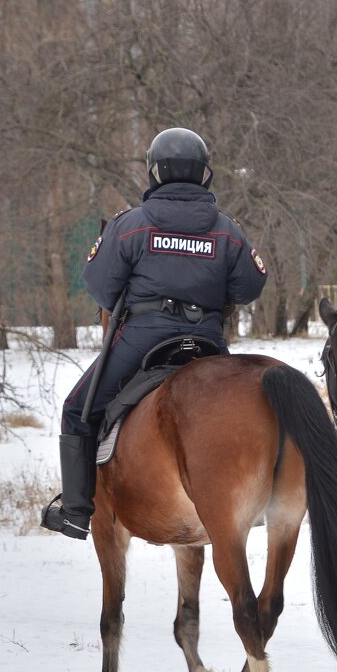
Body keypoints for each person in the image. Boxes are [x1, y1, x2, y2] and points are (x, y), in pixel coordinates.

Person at [41, 127, 268, 540]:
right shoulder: (227, 230)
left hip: (143, 338)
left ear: (155, 172)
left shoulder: (130, 225)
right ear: (204, 174)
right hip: (208, 344)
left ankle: (75, 510)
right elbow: (249, 288)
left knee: (77, 408)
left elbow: (99, 286)